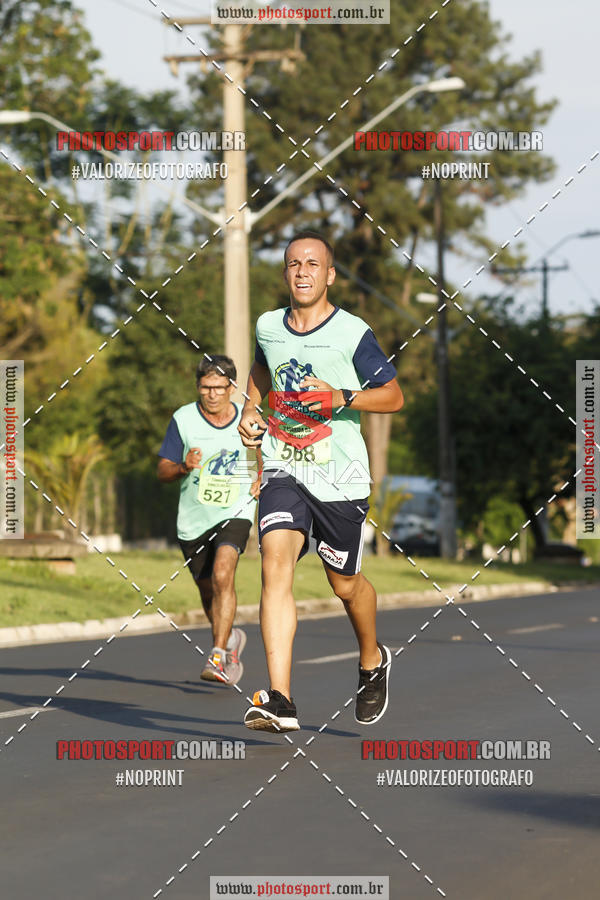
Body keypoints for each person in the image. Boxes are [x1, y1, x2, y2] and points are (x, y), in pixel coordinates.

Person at [238, 231, 404, 732]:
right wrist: (250, 407)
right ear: (285, 272)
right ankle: (281, 698)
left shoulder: (352, 333)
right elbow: (261, 370)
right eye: (293, 264)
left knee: (345, 583)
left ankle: (372, 659)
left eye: (313, 264)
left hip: (341, 476)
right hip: (284, 465)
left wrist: (341, 399)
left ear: (329, 275)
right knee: (274, 563)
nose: (303, 271)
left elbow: (393, 396)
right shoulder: (269, 325)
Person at [157, 355, 258, 686]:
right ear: (197, 387)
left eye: (218, 387)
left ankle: (218, 654)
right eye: (205, 387)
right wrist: (184, 466)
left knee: (222, 572)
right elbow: (163, 471)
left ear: (231, 387)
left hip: (237, 509)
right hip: (194, 518)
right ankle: (229, 638)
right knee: (207, 589)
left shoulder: (250, 417)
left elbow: (272, 454)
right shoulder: (184, 419)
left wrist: (264, 476)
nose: (212, 394)